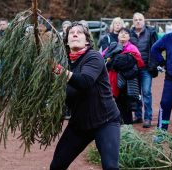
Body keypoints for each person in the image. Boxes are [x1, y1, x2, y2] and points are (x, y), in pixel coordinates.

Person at [50, 22, 120, 170]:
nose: (75, 34)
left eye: (79, 32)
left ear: (87, 40)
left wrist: (58, 70)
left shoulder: (94, 57)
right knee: (57, 166)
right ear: (67, 40)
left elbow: (85, 81)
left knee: (110, 167)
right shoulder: (65, 63)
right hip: (79, 124)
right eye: (71, 33)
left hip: (105, 121)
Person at [102, 28, 144, 125]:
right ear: (118, 36)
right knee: (114, 104)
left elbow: (137, 63)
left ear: (129, 37)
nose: (123, 35)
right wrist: (115, 63)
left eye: (126, 33)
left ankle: (128, 128)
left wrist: (114, 62)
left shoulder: (133, 48)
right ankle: (115, 127)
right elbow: (103, 59)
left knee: (126, 106)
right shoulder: (112, 47)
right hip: (112, 80)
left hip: (127, 82)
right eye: (121, 33)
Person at [129, 12, 158, 128]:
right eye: (135, 19)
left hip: (146, 68)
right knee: (136, 94)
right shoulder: (129, 34)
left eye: (140, 19)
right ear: (133, 21)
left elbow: (156, 49)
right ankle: (138, 115)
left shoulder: (151, 33)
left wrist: (153, 64)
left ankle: (148, 118)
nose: (138, 21)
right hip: (133, 69)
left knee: (146, 92)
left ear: (144, 20)